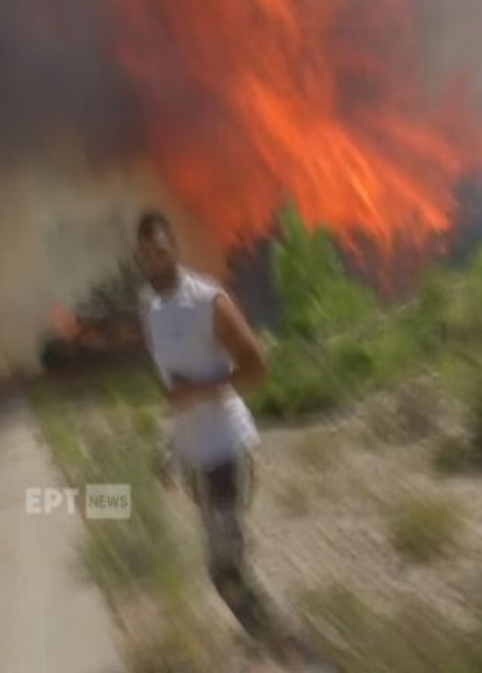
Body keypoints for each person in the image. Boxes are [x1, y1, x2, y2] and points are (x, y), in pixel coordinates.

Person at [134, 209, 319, 670]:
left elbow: (256, 369)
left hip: (225, 451)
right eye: (146, 255)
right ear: (139, 259)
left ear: (175, 248)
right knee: (231, 570)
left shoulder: (207, 299)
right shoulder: (149, 306)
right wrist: (169, 448)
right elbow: (171, 389)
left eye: (161, 250)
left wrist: (197, 392)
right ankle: (290, 648)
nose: (155, 261)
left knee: (226, 574)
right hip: (195, 458)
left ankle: (305, 662)